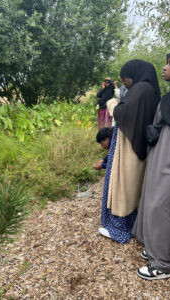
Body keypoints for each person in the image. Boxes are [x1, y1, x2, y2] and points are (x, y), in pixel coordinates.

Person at [99, 59, 161, 243]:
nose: (124, 82)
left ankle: (120, 230)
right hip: (138, 145)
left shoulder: (141, 89)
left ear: (133, 75)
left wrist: (111, 104)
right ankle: (132, 226)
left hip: (129, 148)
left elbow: (122, 113)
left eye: (125, 78)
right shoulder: (150, 90)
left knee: (123, 185)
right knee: (132, 186)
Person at [133, 54, 170, 280]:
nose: (165, 68)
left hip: (167, 158)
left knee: (162, 204)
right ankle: (158, 250)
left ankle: (163, 264)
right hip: (161, 154)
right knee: (154, 198)